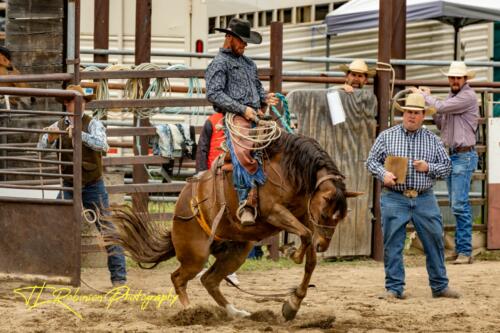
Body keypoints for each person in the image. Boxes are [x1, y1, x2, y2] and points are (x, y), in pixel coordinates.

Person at [366, 93, 460, 299]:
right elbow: (371, 161)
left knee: (435, 240)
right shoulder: (387, 136)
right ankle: (394, 288)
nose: (412, 116)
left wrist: (428, 168)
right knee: (393, 243)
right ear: (403, 114)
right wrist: (384, 174)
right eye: (408, 112)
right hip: (394, 196)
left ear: (423, 115)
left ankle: (440, 286)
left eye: (416, 113)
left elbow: (446, 168)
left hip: (424, 197)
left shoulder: (433, 140)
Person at [37, 85, 127, 287]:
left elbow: (103, 145)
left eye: (79, 101)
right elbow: (41, 148)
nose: (75, 104)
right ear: (67, 104)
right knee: (57, 224)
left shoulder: (93, 124)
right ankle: (56, 273)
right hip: (69, 183)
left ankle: (119, 279)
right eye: (71, 101)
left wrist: (79, 134)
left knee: (107, 229)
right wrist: (50, 139)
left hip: (92, 184)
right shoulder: (58, 125)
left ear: (84, 104)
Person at [205, 17, 278, 226]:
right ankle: (245, 201)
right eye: (242, 41)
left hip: (256, 114)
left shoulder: (248, 63)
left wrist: (264, 98)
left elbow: (257, 88)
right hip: (236, 116)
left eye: (246, 42)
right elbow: (214, 94)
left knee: (282, 143)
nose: (244, 46)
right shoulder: (218, 64)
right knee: (242, 150)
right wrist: (242, 109)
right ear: (229, 38)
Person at [410, 61, 479, 265]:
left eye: (458, 78)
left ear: (465, 79)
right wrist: (433, 103)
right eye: (452, 78)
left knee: (458, 204)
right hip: (454, 155)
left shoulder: (467, 96)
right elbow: (442, 121)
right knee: (457, 204)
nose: (455, 81)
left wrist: (424, 96)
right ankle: (462, 250)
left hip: (462, 155)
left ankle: (465, 250)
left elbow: (441, 107)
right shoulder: (455, 97)